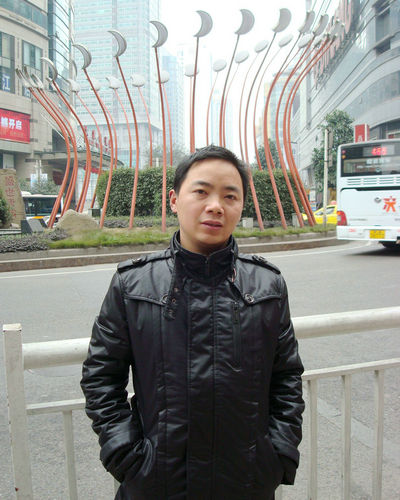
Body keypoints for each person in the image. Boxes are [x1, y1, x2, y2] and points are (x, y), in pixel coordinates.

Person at [81, 145, 304, 500]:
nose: (215, 206)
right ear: (174, 200)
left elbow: (286, 377)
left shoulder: (267, 285)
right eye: (201, 192)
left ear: (241, 205)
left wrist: (276, 454)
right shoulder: (132, 284)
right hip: (156, 485)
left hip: (247, 483)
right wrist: (127, 457)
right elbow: (101, 377)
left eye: (230, 196)